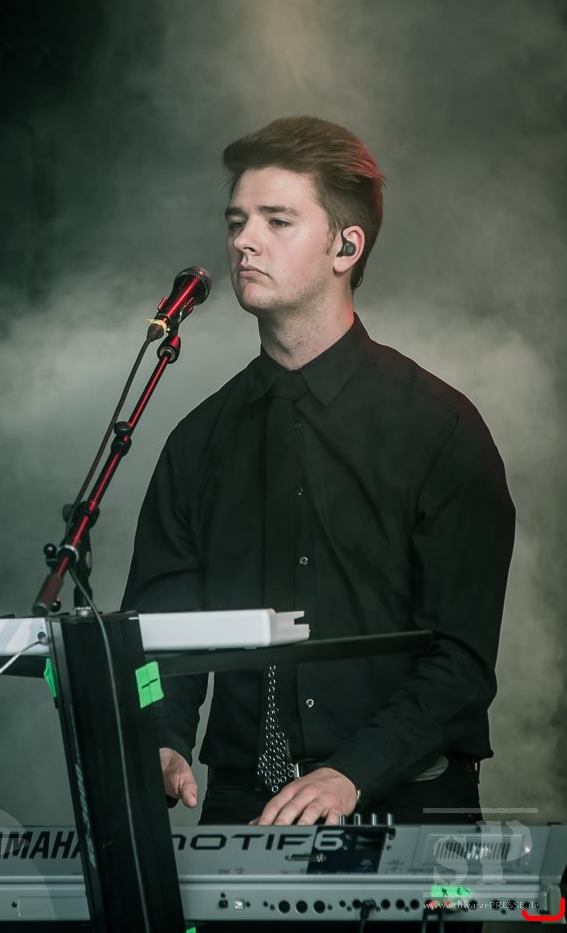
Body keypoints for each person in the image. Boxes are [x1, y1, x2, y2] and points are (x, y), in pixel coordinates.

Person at [121, 116, 515, 832]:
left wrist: (351, 773)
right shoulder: (198, 442)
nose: (244, 241)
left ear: (346, 246)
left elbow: (461, 661)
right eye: (237, 221)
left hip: (403, 801)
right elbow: (156, 640)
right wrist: (162, 732)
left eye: (277, 221)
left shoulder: (439, 430)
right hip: (244, 804)